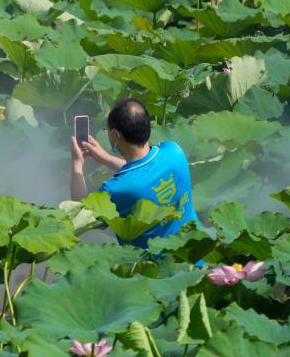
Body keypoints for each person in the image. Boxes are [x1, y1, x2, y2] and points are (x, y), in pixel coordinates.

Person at [70, 98, 197, 248]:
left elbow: (82, 210)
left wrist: (77, 163)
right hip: (198, 255)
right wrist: (105, 158)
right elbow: (142, 172)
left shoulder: (116, 189)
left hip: (157, 267)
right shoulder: (174, 151)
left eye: (107, 130)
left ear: (115, 135)